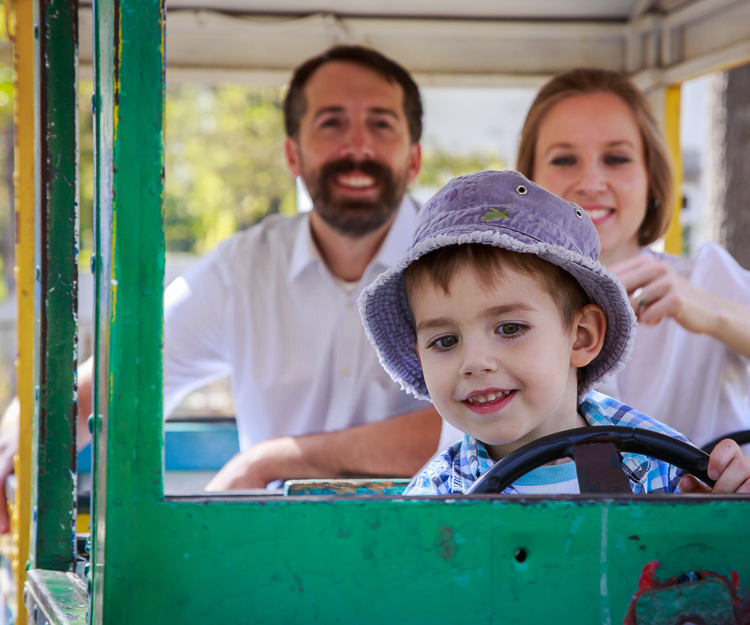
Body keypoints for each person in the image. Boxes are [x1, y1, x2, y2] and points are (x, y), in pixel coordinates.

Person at [0, 45, 443, 530]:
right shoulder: (244, 269)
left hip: (429, 548)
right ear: (292, 154)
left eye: (381, 124)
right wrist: (19, 435)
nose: (357, 147)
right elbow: (121, 373)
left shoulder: (454, 265)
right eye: (331, 123)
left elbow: (485, 424)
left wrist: (271, 462)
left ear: (414, 158)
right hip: (272, 556)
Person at [515, 68, 750, 454]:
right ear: (527, 182)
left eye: (617, 158)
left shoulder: (707, 282)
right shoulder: (492, 296)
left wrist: (714, 314)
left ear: (653, 178)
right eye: (564, 160)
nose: (591, 182)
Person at [360, 170, 750, 495]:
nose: (473, 363)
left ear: (580, 336)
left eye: (510, 328)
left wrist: (742, 511)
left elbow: (719, 577)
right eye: (444, 341)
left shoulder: (657, 464)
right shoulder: (438, 495)